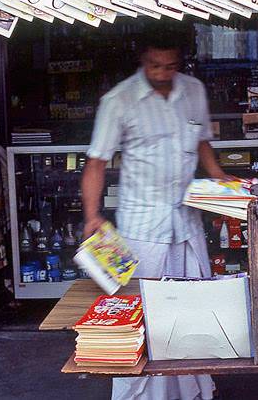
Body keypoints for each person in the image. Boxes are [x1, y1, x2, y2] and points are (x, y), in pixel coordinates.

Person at [81, 31, 229, 400]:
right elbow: (96, 162)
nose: (162, 73)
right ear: (142, 59)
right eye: (154, 66)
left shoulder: (192, 90)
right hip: (142, 231)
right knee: (142, 321)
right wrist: (92, 215)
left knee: (192, 315)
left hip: (186, 224)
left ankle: (191, 393)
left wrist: (221, 179)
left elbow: (201, 141)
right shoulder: (119, 101)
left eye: (170, 66)